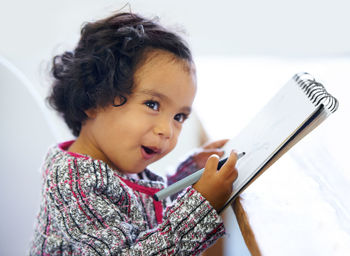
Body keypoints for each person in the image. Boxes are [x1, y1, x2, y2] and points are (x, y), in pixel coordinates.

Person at [29, 11, 239, 255]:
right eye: (152, 104)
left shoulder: (115, 165)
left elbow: (144, 203)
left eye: (179, 117)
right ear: (92, 100)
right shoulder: (72, 180)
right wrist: (200, 207)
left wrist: (189, 172)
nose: (167, 131)